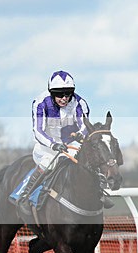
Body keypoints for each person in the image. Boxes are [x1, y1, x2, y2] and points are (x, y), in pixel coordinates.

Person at [17, 70, 97, 217]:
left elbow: (85, 125)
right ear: (52, 93)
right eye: (60, 94)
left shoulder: (80, 103)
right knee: (48, 163)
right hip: (47, 147)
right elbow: (38, 130)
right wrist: (53, 144)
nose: (64, 98)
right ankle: (26, 195)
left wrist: (80, 134)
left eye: (68, 94)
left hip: (71, 146)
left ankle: (99, 195)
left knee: (88, 162)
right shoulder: (40, 103)